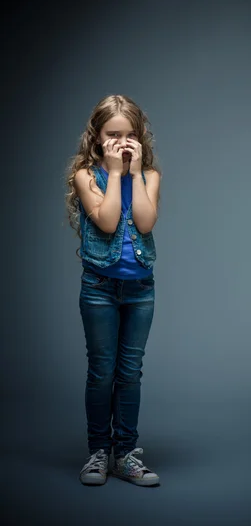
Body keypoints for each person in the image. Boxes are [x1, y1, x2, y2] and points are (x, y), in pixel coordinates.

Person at [64, 94, 162, 486]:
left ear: (140, 138)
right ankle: (98, 453)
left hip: (139, 288)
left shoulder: (150, 176)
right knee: (101, 372)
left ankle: (126, 454)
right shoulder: (86, 176)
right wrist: (115, 173)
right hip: (100, 289)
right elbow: (106, 223)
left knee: (130, 373)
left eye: (130, 135)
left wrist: (135, 173)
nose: (122, 142)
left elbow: (145, 221)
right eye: (113, 135)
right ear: (97, 137)